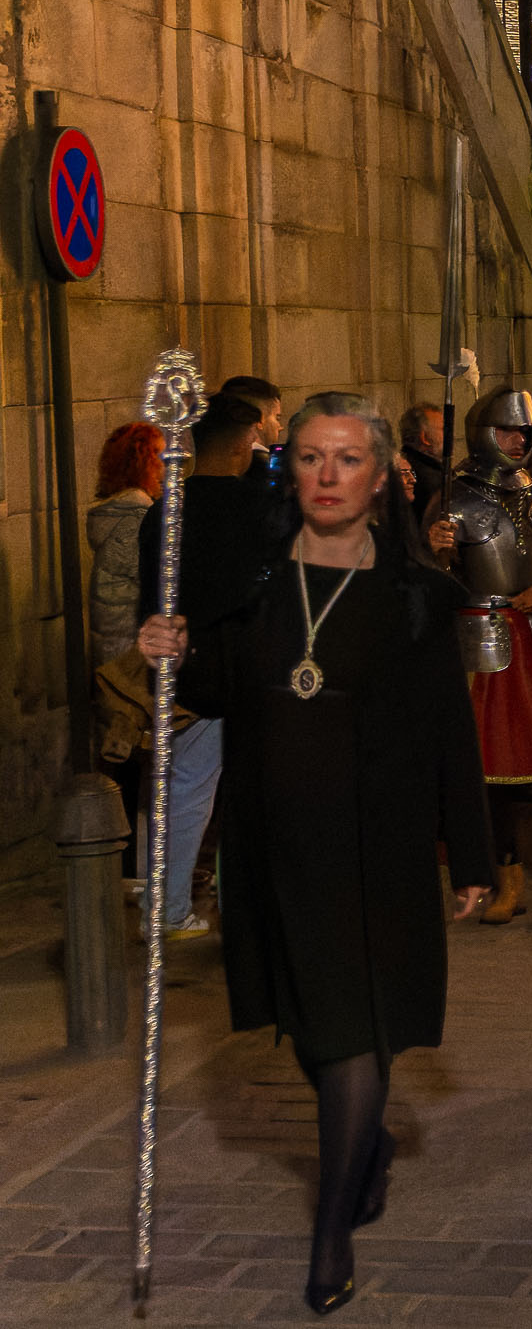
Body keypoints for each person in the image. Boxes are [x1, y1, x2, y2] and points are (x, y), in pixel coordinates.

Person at [136, 392, 492, 1314]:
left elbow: (451, 727)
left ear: (381, 478)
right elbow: (217, 692)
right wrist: (168, 649)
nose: (326, 476)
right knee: (305, 1023)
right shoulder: (253, 582)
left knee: (347, 1030)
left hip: (379, 843)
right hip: (273, 841)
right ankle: (366, 1144)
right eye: (308, 458)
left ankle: (330, 1228)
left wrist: (476, 850)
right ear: (286, 470)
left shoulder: (413, 595)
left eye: (346, 459)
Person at [435, 387, 532, 929]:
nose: (519, 440)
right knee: (491, 773)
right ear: (485, 434)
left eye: (526, 432)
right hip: (481, 637)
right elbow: (434, 581)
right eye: (509, 431)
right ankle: (508, 879)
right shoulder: (453, 498)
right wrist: (435, 552)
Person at [136, 393, 287, 944]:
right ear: (247, 436)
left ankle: (169, 905)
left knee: (184, 790)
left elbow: (152, 595)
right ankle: (194, 910)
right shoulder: (255, 511)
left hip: (182, 672)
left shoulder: (165, 507)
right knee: (234, 796)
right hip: (241, 674)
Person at [88, 422, 165, 668]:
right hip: (130, 651)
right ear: (145, 464)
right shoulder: (136, 517)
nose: (169, 467)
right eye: (161, 457)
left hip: (119, 644)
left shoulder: (119, 512)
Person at [218, 374, 285, 486]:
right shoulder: (267, 469)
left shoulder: (218, 461)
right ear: (260, 420)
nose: (280, 427)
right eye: (277, 418)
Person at [398, 402, 446, 518]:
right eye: (443, 429)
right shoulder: (432, 480)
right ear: (425, 438)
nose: (449, 436)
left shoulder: (401, 464)